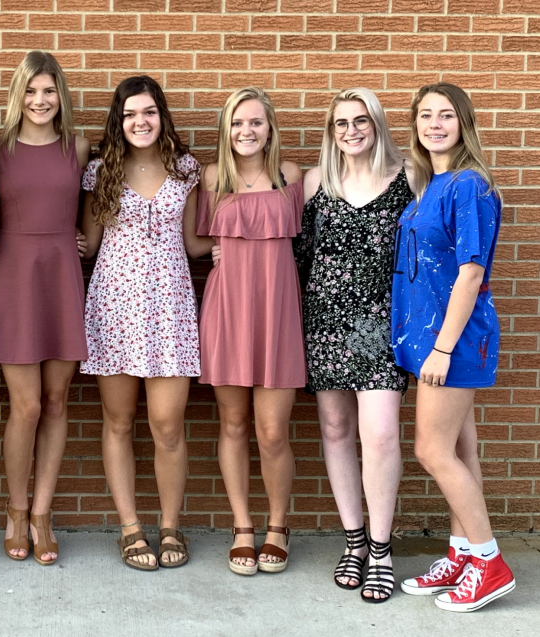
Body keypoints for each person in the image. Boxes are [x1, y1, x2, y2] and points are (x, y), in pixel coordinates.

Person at [393, 82, 514, 612]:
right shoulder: (432, 183)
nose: (435, 124)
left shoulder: (470, 185)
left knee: (431, 450)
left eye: (446, 115)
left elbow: (470, 274)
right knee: (460, 450)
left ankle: (489, 563)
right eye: (425, 115)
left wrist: (442, 349)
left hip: (455, 340)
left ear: (463, 123)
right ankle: (462, 551)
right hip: (429, 339)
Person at [294, 88, 413, 601]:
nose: (351, 131)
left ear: (378, 124)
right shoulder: (317, 181)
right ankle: (354, 541)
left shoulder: (410, 175)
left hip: (382, 325)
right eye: (341, 123)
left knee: (381, 434)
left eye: (361, 121)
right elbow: (295, 255)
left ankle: (382, 550)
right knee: (336, 428)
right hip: (324, 321)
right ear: (331, 131)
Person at [81, 75, 205, 571]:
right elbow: (88, 246)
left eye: (149, 112)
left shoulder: (186, 169)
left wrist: (232, 250)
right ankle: (131, 527)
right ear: (119, 119)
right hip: (114, 307)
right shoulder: (100, 172)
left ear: (162, 116)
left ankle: (170, 525)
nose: (140, 121)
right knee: (117, 422)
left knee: (168, 426)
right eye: (131, 113)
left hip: (171, 308)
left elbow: (195, 243)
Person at [0, 51, 90, 565]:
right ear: (18, 95)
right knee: (24, 406)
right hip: (13, 280)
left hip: (62, 280)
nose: (40, 100)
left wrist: (84, 241)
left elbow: (93, 212)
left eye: (49, 91)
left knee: (56, 401)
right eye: (30, 91)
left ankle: (43, 515)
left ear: (60, 95)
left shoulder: (78, 146)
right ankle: (16, 510)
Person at [199, 87, 304, 576]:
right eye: (238, 122)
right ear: (227, 128)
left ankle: (278, 525)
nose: (246, 131)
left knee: (272, 431)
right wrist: (215, 250)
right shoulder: (213, 177)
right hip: (227, 311)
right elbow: (194, 244)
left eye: (256, 122)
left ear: (270, 128)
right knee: (234, 425)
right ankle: (243, 526)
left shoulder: (291, 176)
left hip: (278, 313)